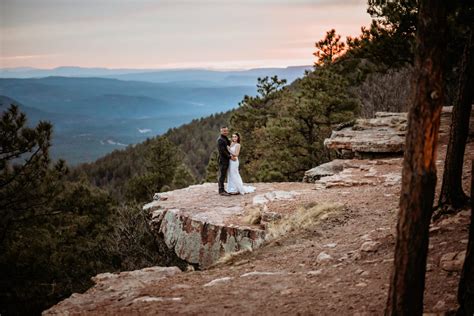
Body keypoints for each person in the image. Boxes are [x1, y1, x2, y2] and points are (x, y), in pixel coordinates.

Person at [217, 126, 234, 196]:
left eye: (226, 131)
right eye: (224, 131)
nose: (226, 132)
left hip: (227, 159)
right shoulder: (220, 140)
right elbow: (222, 151)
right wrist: (229, 156)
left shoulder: (225, 138)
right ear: (221, 131)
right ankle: (221, 190)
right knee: (222, 175)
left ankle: (227, 188)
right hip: (223, 160)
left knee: (225, 174)